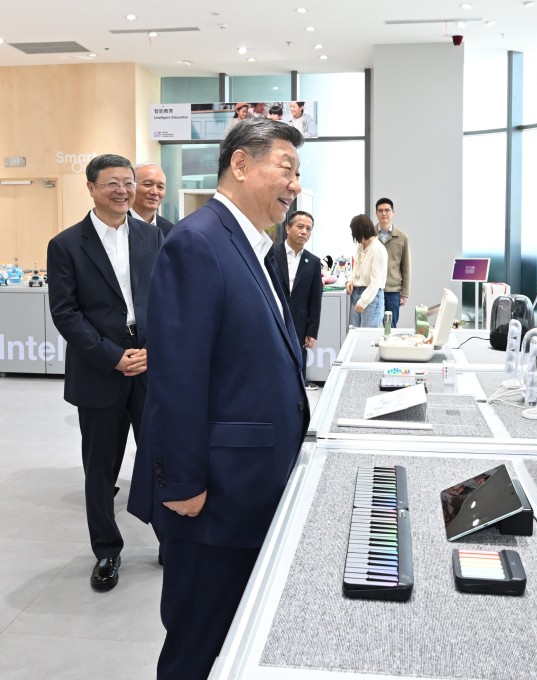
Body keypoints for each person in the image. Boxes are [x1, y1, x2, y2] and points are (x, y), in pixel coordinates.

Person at [126, 118, 309, 678]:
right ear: (241, 164)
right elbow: (177, 379)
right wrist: (182, 486)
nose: (296, 185)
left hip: (249, 486)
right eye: (287, 168)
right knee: (197, 647)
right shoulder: (198, 243)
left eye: (299, 174)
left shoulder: (254, 246)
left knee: (235, 636)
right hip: (211, 502)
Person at [47, 154, 164, 591]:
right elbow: (66, 313)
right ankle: (107, 552)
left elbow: (166, 299)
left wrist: (152, 349)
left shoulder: (153, 237)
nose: (123, 190)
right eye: (112, 183)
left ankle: (169, 538)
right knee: (101, 469)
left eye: (128, 182)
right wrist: (113, 356)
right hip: (100, 369)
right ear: (92, 188)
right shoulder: (66, 244)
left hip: (150, 364)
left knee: (161, 457)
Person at [272, 210, 323, 389]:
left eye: (308, 229)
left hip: (299, 325)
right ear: (287, 228)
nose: (304, 232)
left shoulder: (313, 262)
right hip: (273, 319)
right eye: (300, 227)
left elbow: (316, 300)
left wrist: (312, 330)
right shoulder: (270, 255)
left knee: (298, 366)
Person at [345, 213, 387, 327]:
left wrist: (363, 301)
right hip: (356, 293)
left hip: (372, 296)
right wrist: (350, 280)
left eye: (354, 232)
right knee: (354, 332)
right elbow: (356, 268)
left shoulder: (378, 249)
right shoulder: (360, 247)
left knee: (369, 336)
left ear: (361, 231)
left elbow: (375, 282)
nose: (353, 235)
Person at [375, 197, 411, 324]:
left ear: (393, 212)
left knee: (390, 327)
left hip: (393, 292)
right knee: (373, 327)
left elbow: (406, 267)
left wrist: (405, 292)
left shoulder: (402, 237)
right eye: (380, 210)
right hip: (373, 290)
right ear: (376, 213)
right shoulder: (369, 236)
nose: (384, 213)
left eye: (387, 210)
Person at [130, 162, 175, 237]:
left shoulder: (169, 230)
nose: (154, 192)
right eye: (147, 184)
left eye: (160, 187)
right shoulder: (118, 223)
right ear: (131, 186)